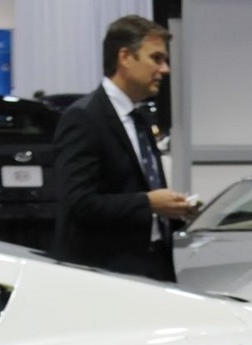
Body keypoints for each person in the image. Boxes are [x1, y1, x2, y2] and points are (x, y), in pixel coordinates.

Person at [53, 15, 195, 281]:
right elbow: (78, 203)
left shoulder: (139, 118)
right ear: (125, 57)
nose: (165, 70)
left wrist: (174, 211)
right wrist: (149, 203)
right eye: (156, 58)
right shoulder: (84, 118)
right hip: (106, 273)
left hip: (153, 265)